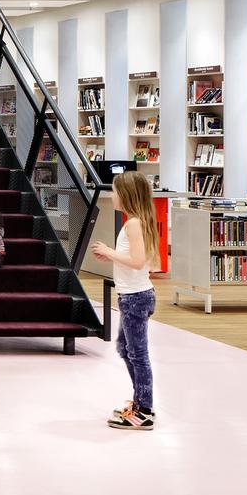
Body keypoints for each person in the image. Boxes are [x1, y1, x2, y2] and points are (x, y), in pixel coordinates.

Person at [90, 171, 160, 431]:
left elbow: (139, 261)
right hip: (132, 296)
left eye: (116, 192)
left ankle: (145, 409)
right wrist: (113, 256)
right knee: (125, 348)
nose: (112, 196)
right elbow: (135, 260)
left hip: (136, 298)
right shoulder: (134, 222)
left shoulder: (133, 224)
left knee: (137, 353)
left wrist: (110, 252)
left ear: (127, 195)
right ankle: (140, 401)